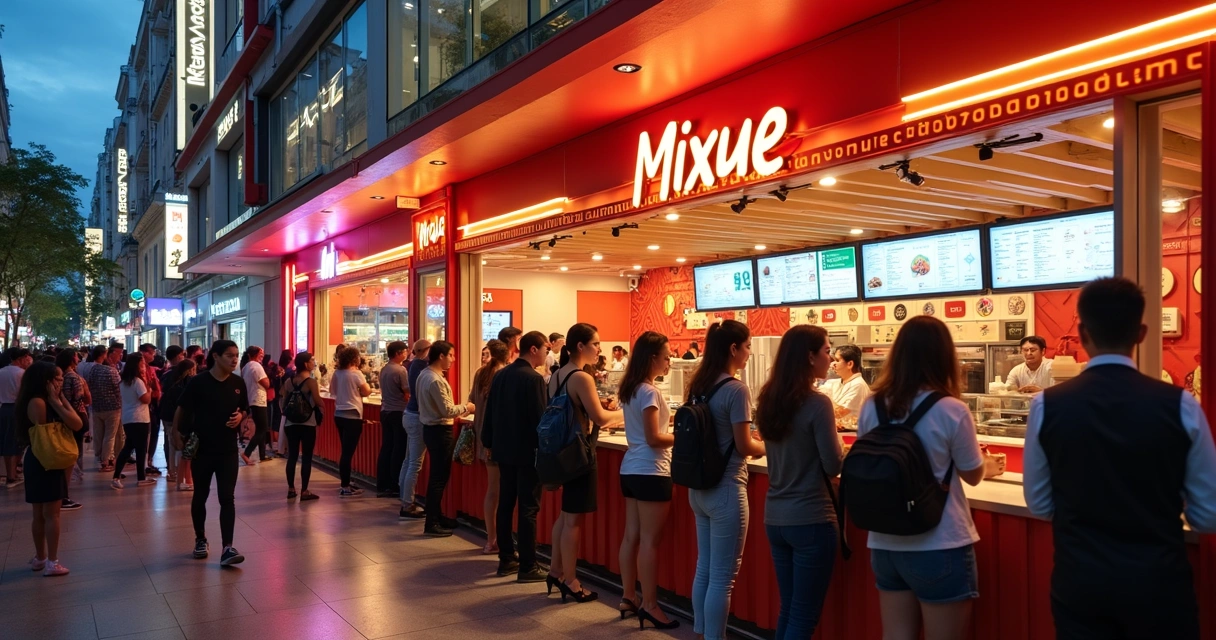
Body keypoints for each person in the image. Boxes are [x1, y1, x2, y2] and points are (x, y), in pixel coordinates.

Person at [1023, 278, 1216, 638]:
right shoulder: (1181, 405)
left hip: (1080, 583)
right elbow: (1207, 514)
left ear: (1081, 332)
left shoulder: (1047, 405)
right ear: (1141, 333)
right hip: (1158, 584)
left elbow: (1038, 503)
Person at [858, 315, 994, 640]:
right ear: (945, 356)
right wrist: (989, 465)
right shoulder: (951, 409)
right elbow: (973, 475)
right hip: (939, 543)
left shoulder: (872, 405)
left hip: (885, 545)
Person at [755, 325, 844, 638]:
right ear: (809, 356)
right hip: (811, 518)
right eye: (826, 350)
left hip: (776, 517)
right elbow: (833, 464)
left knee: (790, 608)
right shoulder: (817, 404)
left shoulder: (769, 399)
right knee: (804, 617)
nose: (831, 358)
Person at [686, 320, 766, 640]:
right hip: (727, 488)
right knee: (722, 577)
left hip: (699, 488)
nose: (749, 353)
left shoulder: (699, 384)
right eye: (747, 347)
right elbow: (745, 446)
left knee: (705, 568)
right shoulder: (736, 389)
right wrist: (770, 445)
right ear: (733, 349)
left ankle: (701, 633)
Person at [548, 323, 624, 602]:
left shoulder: (557, 375)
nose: (599, 349)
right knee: (573, 521)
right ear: (580, 346)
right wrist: (628, 415)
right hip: (579, 455)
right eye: (596, 344)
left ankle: (556, 571)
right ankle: (571, 579)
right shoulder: (581, 377)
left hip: (561, 453)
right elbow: (601, 419)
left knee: (565, 516)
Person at [617, 331, 678, 628]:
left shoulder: (630, 388)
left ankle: (629, 596)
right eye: (666, 356)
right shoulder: (650, 392)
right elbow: (655, 438)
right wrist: (682, 437)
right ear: (652, 357)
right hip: (652, 470)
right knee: (650, 542)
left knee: (632, 536)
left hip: (630, 469)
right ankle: (651, 605)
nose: (669, 362)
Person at [482, 331, 550, 582]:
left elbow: (490, 412)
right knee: (528, 507)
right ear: (533, 349)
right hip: (527, 451)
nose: (547, 353)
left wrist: (488, 441)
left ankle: (507, 559)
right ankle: (528, 564)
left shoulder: (500, 375)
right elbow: (540, 419)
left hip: (503, 449)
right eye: (545, 348)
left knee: (506, 503)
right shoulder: (533, 379)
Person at [175, 340, 248, 566]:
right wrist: (175, 434)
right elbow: (182, 408)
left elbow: (244, 408)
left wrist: (241, 417)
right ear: (215, 356)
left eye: (236, 355)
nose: (234, 359)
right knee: (201, 495)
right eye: (229, 355)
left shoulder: (238, 382)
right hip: (203, 450)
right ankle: (200, 539)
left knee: (227, 498)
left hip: (227, 450)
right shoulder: (199, 382)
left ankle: (227, 547)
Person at [17, 361, 84, 576]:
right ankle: (51, 561)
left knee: (42, 513)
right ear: (45, 381)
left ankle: (41, 558)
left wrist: (60, 399)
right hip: (46, 458)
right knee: (49, 513)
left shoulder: (47, 399)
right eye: (57, 379)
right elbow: (49, 434)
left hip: (43, 459)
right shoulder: (38, 402)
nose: (61, 382)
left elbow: (77, 423)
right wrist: (56, 402)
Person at [415, 341, 474, 536]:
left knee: (437, 477)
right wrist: (467, 407)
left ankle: (437, 516)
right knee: (439, 478)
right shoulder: (436, 380)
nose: (453, 359)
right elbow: (448, 410)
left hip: (430, 429)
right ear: (441, 356)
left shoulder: (424, 375)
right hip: (440, 430)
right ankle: (432, 522)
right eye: (451, 355)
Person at [469, 339, 509, 554]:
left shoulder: (479, 374)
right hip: (500, 440)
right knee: (503, 493)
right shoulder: (504, 375)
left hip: (483, 438)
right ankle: (499, 541)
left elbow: (472, 402)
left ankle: (490, 539)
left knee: (492, 492)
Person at [332, 346, 372, 497]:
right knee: (348, 453)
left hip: (339, 414)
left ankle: (346, 481)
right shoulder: (357, 374)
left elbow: (333, 391)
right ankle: (345, 486)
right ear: (355, 358)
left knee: (345, 451)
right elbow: (367, 391)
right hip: (353, 415)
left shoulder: (337, 373)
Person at [282, 351, 322, 501]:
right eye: (312, 360)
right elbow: (318, 401)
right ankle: (304, 491)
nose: (314, 362)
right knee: (306, 457)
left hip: (291, 423)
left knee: (292, 456)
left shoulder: (289, 381)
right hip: (307, 423)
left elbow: (283, 401)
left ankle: (291, 489)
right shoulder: (311, 382)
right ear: (306, 364)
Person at [399, 339, 432, 518]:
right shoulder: (423, 368)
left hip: (409, 414)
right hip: (418, 417)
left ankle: (404, 497)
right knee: (415, 463)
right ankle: (407, 504)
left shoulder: (412, 365)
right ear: (427, 350)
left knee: (408, 460)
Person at [112, 354, 156, 489]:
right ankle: (141, 478)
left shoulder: (124, 381)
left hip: (128, 418)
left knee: (128, 447)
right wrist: (149, 390)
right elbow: (145, 399)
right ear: (137, 365)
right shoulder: (137, 381)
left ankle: (117, 476)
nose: (144, 365)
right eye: (142, 363)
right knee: (141, 449)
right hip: (140, 418)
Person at [56, 350, 89, 509]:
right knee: (73, 452)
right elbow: (80, 398)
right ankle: (64, 492)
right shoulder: (74, 378)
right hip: (75, 416)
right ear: (71, 360)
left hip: (63, 416)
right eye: (76, 356)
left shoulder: (60, 376)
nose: (78, 358)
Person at [377, 341, 410, 498]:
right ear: (398, 353)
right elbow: (407, 391)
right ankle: (394, 483)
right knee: (399, 448)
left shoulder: (384, 369)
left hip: (385, 411)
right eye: (404, 351)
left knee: (387, 447)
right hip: (398, 412)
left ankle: (382, 483)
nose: (407, 353)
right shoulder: (401, 370)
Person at [88, 345, 126, 472]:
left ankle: (99, 457)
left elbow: (90, 386)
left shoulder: (93, 370)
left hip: (97, 406)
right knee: (110, 435)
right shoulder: (112, 371)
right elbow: (118, 389)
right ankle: (106, 461)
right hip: (112, 407)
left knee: (99, 434)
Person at [160, 359, 196, 491]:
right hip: (178, 419)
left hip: (166, 415)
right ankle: (182, 478)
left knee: (172, 445)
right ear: (190, 370)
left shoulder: (168, 376)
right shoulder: (187, 383)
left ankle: (172, 472)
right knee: (183, 449)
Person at [0, 347, 33, 487]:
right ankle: (11, 476)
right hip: (17, 409)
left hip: (3, 408)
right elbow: (24, 394)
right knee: (15, 442)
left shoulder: (1, 372)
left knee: (6, 441)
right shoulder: (22, 374)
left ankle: (10, 473)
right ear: (21, 358)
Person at [239, 346, 272, 464]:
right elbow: (266, 383)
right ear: (255, 355)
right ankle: (246, 453)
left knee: (260, 427)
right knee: (262, 428)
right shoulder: (257, 366)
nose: (262, 355)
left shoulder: (245, 367)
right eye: (260, 353)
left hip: (252, 399)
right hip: (259, 400)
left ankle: (262, 455)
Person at [822, 344, 870, 422]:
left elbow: (839, 413)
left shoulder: (858, 385)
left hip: (851, 432)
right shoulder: (834, 383)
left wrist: (825, 397)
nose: (833, 364)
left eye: (837, 361)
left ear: (850, 364)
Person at [138, 344, 164, 476]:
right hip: (147, 405)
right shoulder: (141, 369)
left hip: (151, 404)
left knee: (151, 433)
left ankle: (147, 461)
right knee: (148, 434)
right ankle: (146, 462)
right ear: (145, 353)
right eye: (152, 353)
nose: (153, 356)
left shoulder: (149, 368)